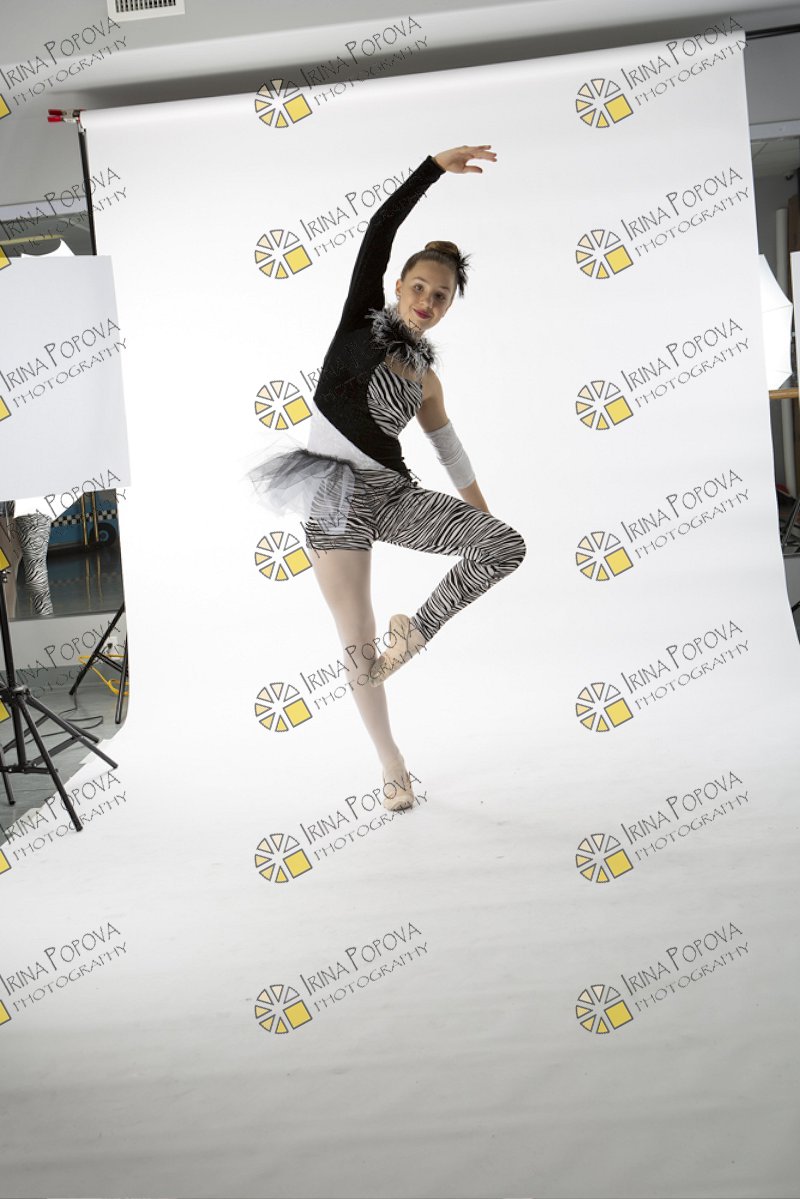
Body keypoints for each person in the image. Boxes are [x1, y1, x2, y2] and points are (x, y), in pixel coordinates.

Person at [250, 145, 526, 811]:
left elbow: (450, 453)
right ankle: (391, 764)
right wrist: (432, 168)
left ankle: (418, 632)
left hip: (393, 496)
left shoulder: (427, 380)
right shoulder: (358, 321)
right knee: (356, 638)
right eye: (420, 287)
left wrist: (482, 516)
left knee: (506, 545)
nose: (428, 300)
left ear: (449, 307)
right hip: (332, 498)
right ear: (399, 287)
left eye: (441, 295)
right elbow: (380, 228)